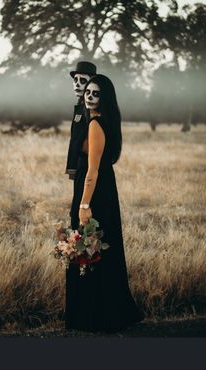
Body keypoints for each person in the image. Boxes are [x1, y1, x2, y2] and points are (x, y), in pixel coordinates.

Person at [65, 74, 145, 333]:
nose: (89, 95)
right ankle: (101, 312)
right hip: (102, 189)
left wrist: (84, 205)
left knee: (90, 247)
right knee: (95, 248)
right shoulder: (96, 120)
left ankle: (94, 315)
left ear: (104, 98)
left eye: (96, 93)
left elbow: (92, 171)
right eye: (88, 91)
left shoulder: (96, 125)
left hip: (96, 191)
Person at [65, 61, 97, 180]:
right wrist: (72, 166)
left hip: (88, 165)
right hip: (79, 163)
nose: (77, 84)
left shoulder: (93, 108)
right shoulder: (80, 106)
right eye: (75, 80)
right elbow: (75, 138)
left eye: (82, 81)